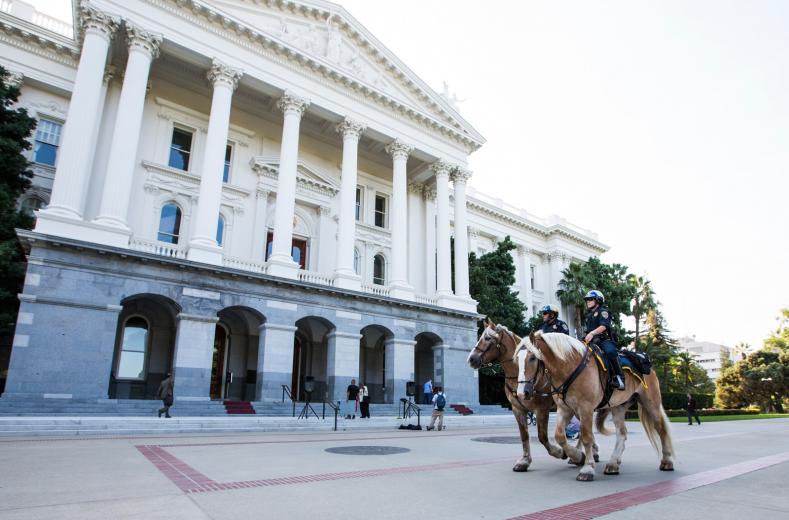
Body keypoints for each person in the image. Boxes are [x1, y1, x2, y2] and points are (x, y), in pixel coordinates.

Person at [583, 290, 625, 390]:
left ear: (598, 300)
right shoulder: (589, 316)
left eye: (590, 299)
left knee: (610, 352)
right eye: (587, 300)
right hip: (591, 341)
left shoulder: (603, 312)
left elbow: (604, 326)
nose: (588, 301)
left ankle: (620, 378)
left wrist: (592, 333)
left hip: (603, 340)